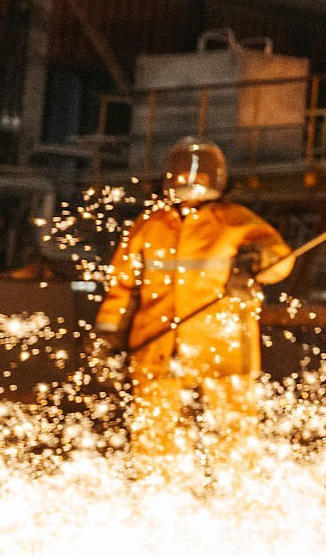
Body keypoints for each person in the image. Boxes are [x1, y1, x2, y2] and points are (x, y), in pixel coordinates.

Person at [93, 138, 292, 459]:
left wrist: (255, 260)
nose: (192, 181)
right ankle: (157, 495)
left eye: (198, 176)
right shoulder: (149, 225)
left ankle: (238, 498)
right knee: (153, 435)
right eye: (185, 175)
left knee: (235, 434)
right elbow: (122, 286)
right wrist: (108, 333)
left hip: (223, 348)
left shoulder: (236, 221)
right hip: (157, 346)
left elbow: (281, 260)